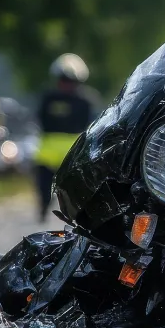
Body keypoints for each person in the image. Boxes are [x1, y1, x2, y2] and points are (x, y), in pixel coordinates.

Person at [34, 53, 100, 223]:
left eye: (69, 81)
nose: (65, 84)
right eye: (63, 80)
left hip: (72, 154)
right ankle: (43, 208)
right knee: (43, 188)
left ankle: (76, 215)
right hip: (48, 153)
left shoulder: (85, 100)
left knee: (74, 190)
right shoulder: (48, 98)